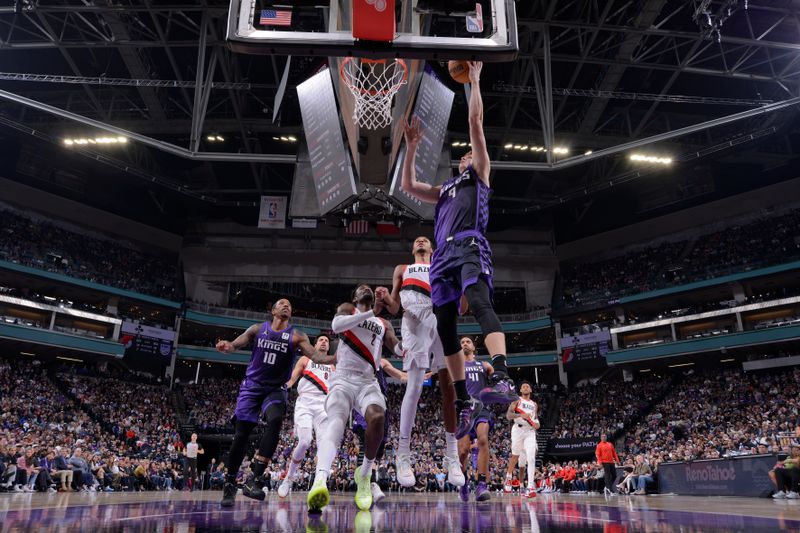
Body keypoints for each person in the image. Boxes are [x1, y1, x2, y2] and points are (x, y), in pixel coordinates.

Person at [400, 60, 516, 440]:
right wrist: (412, 148)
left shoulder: (479, 174)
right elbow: (409, 186)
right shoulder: (447, 188)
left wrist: (476, 80)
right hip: (442, 258)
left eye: (470, 152)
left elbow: (476, 125)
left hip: (468, 242)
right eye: (465, 153)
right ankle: (466, 398)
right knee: (446, 325)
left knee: (479, 302)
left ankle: (500, 373)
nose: (467, 153)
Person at [215, 298, 331, 507]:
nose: (286, 305)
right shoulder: (258, 329)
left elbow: (317, 356)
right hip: (252, 386)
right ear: (273, 310)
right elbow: (238, 342)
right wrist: (229, 346)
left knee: (276, 418)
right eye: (281, 303)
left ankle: (254, 479)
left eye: (289, 305)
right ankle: (230, 483)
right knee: (241, 435)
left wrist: (340, 357)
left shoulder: (296, 335)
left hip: (275, 389)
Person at [375, 235, 464, 489]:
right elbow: (393, 308)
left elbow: (460, 304)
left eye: (425, 240)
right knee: (413, 388)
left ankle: (452, 456)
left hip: (441, 319)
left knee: (449, 388)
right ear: (413, 248)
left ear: (432, 249)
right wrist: (384, 297)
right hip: (414, 323)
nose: (421, 241)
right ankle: (402, 455)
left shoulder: (442, 266)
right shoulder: (402, 269)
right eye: (417, 240)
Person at [306, 284, 403, 513]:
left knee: (378, 417)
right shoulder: (348, 309)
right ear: (355, 297)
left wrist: (410, 339)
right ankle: (320, 479)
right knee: (337, 420)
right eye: (360, 288)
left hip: (368, 381)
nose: (365, 289)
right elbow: (336, 325)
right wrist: (372, 311)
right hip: (343, 378)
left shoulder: (383, 323)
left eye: (367, 288)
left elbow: (398, 349)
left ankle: (365, 474)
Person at [278, 335, 335, 498]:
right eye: (321, 340)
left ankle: (319, 482)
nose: (324, 342)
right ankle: (289, 478)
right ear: (315, 345)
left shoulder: (332, 365)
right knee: (304, 441)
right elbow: (292, 379)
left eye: (327, 341)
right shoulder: (305, 359)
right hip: (305, 403)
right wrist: (283, 387)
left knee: (324, 444)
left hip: (324, 406)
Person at [457, 337, 496, 502]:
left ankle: (481, 485)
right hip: (463, 409)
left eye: (468, 342)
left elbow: (497, 377)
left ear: (473, 347)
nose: (465, 343)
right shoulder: (456, 365)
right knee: (464, 451)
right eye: (462, 343)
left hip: (481, 407)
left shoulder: (484, 365)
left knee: (483, 441)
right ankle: (463, 482)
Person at [505, 381, 540, 499]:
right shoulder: (517, 400)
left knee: (531, 457)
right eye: (523, 386)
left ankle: (530, 487)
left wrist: (537, 424)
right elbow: (508, 415)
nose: (525, 387)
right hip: (518, 430)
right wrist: (520, 415)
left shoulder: (534, 404)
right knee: (515, 456)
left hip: (530, 432)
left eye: (527, 386)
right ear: (520, 390)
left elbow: (536, 419)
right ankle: (509, 477)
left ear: (530, 390)